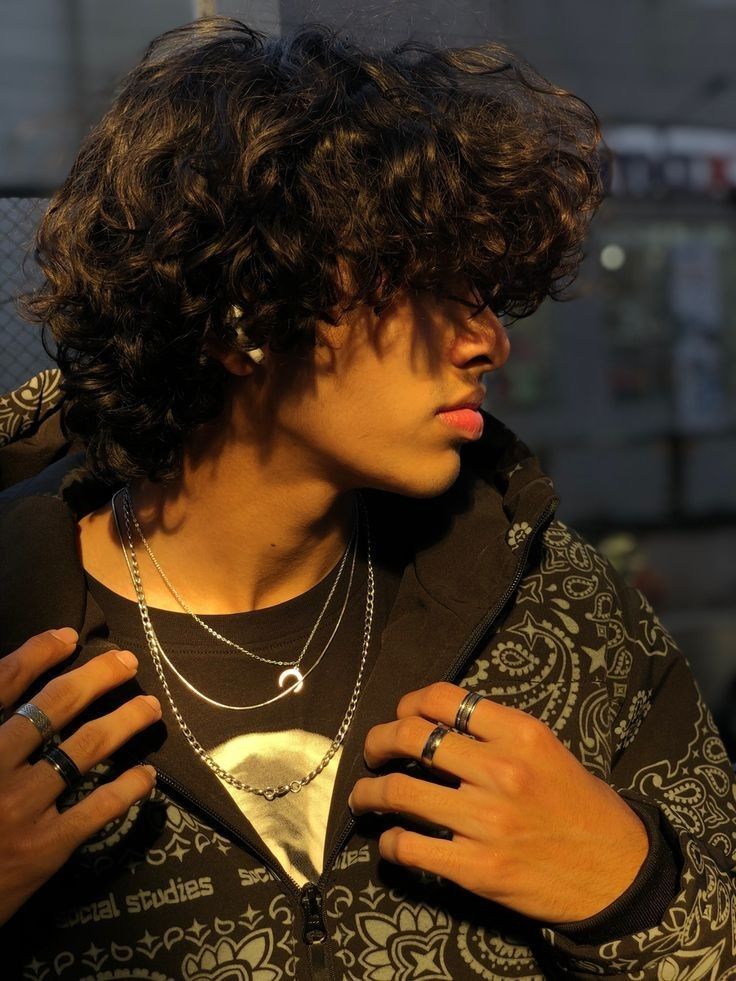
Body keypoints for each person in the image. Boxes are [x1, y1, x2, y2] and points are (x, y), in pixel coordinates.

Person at [1, 15, 734, 980]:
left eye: (492, 293)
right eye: (440, 288)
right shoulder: (20, 628)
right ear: (247, 308)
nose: (490, 341)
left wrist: (633, 885)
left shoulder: (555, 602)